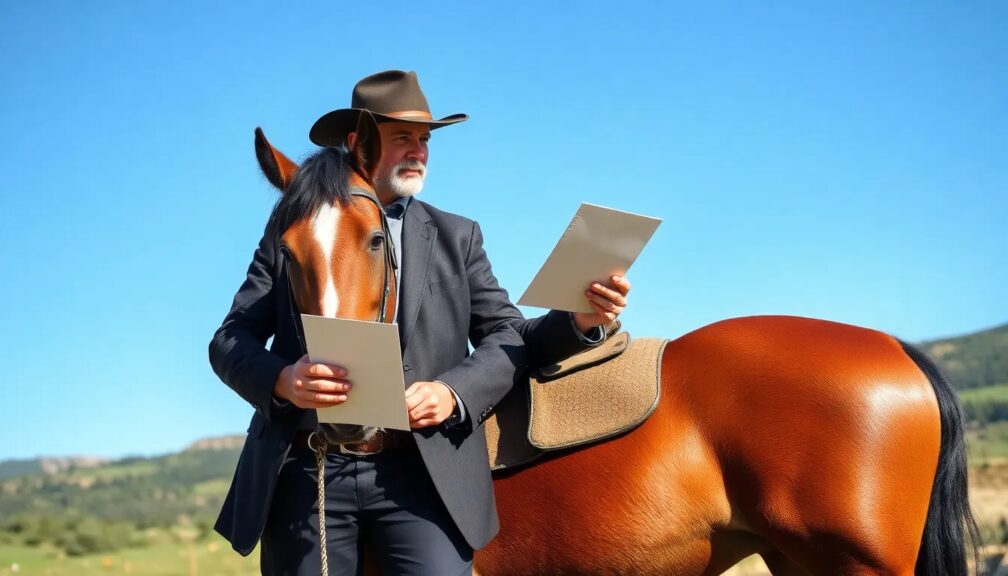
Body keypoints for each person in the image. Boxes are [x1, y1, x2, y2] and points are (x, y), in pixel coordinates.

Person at [209, 70, 632, 575]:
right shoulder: (296, 227)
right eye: (402, 137)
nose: (419, 151)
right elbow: (229, 340)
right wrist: (282, 379)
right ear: (359, 145)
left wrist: (457, 389)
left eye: (425, 139)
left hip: (420, 474)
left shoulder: (458, 237)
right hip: (310, 470)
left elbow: (508, 338)